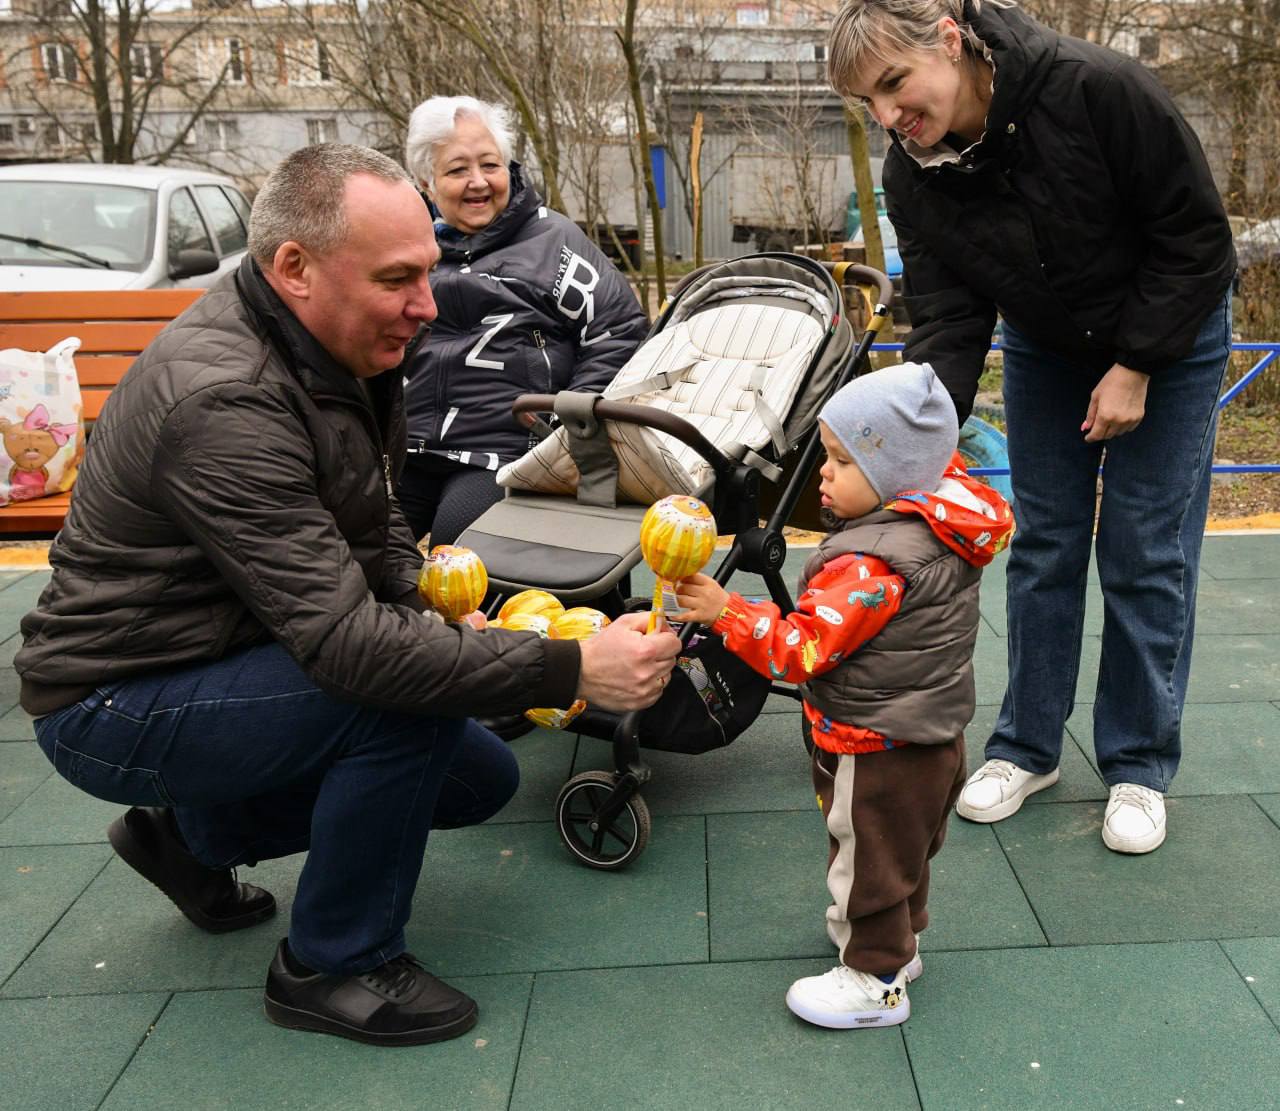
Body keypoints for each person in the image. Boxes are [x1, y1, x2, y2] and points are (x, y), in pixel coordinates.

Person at [14, 144, 681, 1047]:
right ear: (295, 267)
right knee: (396, 705)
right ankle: (333, 961)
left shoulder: (336, 342)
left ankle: (190, 834)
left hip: (223, 652)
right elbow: (351, 651)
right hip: (115, 696)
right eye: (399, 278)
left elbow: (371, 525)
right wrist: (569, 665)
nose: (428, 305)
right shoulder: (226, 398)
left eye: (429, 272)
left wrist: (425, 599)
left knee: (475, 776)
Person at [827, 0, 1236, 853]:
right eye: (869, 103)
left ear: (948, 37)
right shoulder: (915, 168)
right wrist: (909, 442)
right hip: (1052, 344)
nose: (889, 117)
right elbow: (947, 314)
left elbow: (1195, 239)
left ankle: (1137, 763)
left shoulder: (1097, 90)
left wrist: (1137, 365)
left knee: (1143, 548)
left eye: (895, 84)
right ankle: (1028, 745)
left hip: (1171, 333)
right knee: (1045, 539)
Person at [675, 363, 1014, 1030]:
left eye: (838, 460)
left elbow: (799, 651)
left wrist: (725, 612)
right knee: (901, 852)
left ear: (892, 476)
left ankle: (876, 983)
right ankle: (897, 945)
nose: (823, 474)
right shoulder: (946, 523)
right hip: (931, 731)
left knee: (865, 861)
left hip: (875, 740)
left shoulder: (871, 564)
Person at [397, 95, 648, 546]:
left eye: (490, 165)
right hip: (408, 448)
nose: (478, 182)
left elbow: (619, 332)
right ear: (425, 182)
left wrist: (561, 425)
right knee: (362, 537)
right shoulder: (407, 248)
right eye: (457, 170)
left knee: (462, 542)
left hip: (507, 453)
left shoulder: (552, 242)